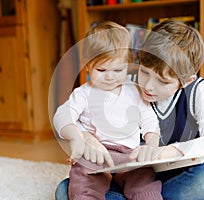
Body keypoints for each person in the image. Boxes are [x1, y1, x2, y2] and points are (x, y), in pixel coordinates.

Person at [55, 19, 204, 200]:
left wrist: (161, 152)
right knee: (65, 189)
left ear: (186, 81)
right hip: (123, 171)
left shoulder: (197, 90)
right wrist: (86, 137)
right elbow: (75, 114)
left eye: (162, 81)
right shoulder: (121, 77)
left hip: (170, 176)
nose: (148, 86)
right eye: (145, 72)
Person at [53, 21, 163, 200]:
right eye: (101, 69)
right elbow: (62, 115)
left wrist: (151, 145)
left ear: (128, 65)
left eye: (118, 69)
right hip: (96, 153)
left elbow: (150, 121)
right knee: (84, 178)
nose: (110, 76)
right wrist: (75, 137)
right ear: (87, 65)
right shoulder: (83, 93)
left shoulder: (134, 90)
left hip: (129, 154)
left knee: (143, 179)